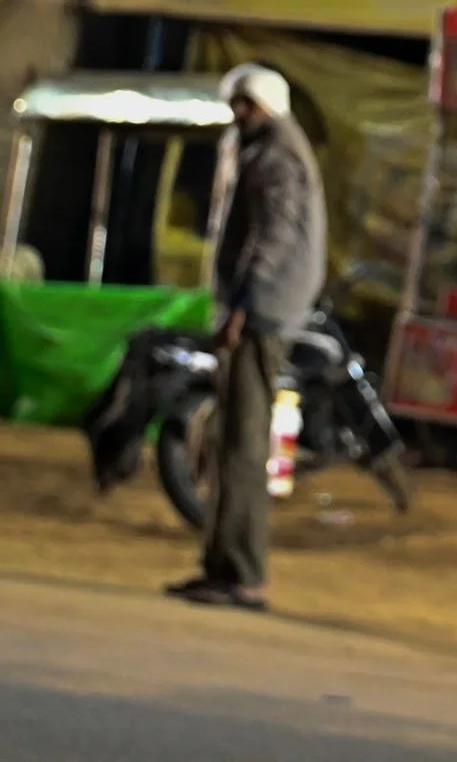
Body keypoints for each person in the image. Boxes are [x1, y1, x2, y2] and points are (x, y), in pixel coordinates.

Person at [167, 63, 328, 611]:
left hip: (261, 312)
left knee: (242, 442)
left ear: (267, 105)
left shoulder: (277, 152)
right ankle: (220, 566)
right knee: (228, 438)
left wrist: (242, 306)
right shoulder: (261, 146)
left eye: (247, 104)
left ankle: (243, 573)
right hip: (253, 308)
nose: (238, 113)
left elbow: (273, 237)